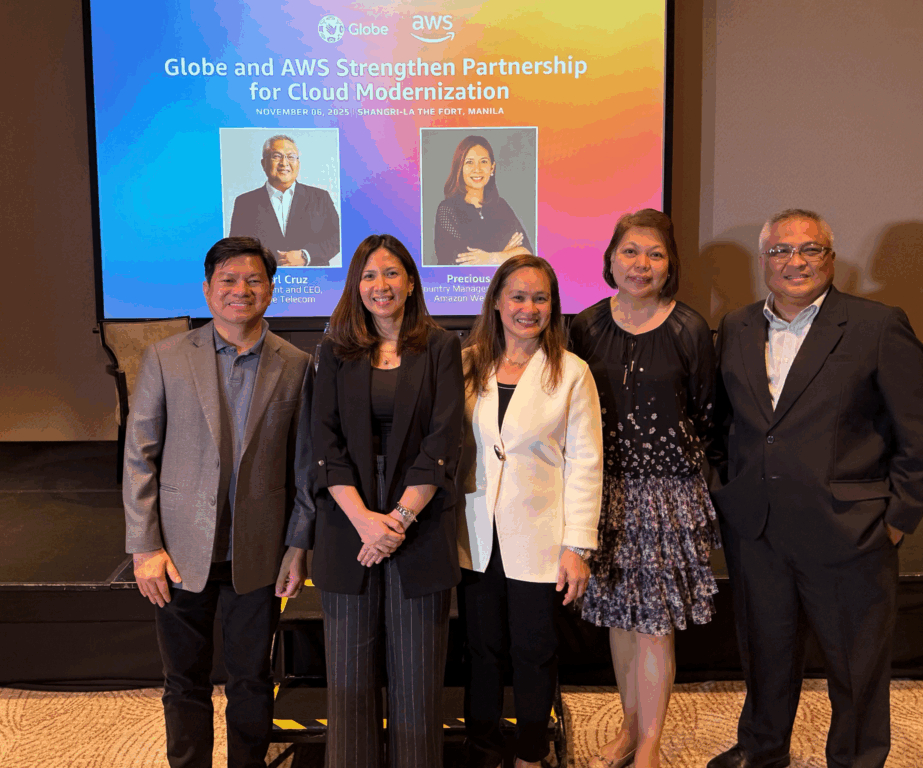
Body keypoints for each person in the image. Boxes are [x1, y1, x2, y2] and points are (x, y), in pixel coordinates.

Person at [706, 209, 923, 768]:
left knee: (856, 667)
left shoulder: (877, 326)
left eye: (809, 249)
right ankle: (762, 751)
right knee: (764, 654)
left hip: (848, 531)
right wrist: (728, 491)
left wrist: (898, 517)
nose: (795, 261)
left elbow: (921, 427)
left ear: (830, 259)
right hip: (758, 530)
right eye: (781, 250)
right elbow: (722, 422)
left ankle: (856, 760)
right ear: (764, 261)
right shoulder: (737, 326)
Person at [123, 236, 315, 768]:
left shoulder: (297, 365)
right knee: (184, 680)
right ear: (208, 289)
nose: (240, 290)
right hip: (177, 553)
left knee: (252, 680)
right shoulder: (165, 358)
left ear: (271, 290)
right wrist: (144, 547)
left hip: (259, 552)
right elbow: (139, 455)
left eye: (253, 280)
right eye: (228, 280)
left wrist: (298, 546)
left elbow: (305, 468)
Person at [570, 210, 720, 768]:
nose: (641, 264)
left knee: (655, 625)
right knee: (619, 619)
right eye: (630, 251)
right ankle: (629, 728)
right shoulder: (585, 325)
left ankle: (651, 742)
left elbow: (707, 415)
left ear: (670, 264)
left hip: (667, 497)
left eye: (655, 254)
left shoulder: (690, 329)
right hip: (604, 493)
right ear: (610, 259)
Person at [312, 233, 464, 768]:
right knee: (348, 686)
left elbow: (443, 440)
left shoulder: (441, 347)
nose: (381, 285)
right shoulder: (333, 350)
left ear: (412, 282)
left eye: (392, 273)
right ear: (356, 285)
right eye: (370, 275)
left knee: (418, 685)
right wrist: (364, 522)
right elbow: (325, 444)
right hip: (347, 521)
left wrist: (395, 521)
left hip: (418, 517)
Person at [457, 254, 603, 768]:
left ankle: (531, 752)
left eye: (541, 298)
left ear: (553, 307)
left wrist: (577, 546)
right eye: (518, 296)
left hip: (541, 538)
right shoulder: (466, 363)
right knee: (481, 651)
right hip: (473, 536)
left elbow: (586, 463)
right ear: (497, 302)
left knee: (534, 652)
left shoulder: (572, 372)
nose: (529, 308)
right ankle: (482, 748)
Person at [229, 134, 341, 267]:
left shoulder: (320, 197)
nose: (284, 163)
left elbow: (337, 238)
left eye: (291, 157)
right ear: (263, 163)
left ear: (298, 163)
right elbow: (237, 248)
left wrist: (305, 255)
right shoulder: (245, 202)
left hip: (313, 277)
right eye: (276, 156)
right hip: (265, 276)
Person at [433, 135, 534, 266]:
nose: (477, 169)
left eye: (484, 161)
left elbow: (528, 254)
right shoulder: (447, 210)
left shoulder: (501, 206)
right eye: (469, 162)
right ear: (460, 168)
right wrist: (506, 254)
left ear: (492, 168)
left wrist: (492, 258)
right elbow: (459, 263)